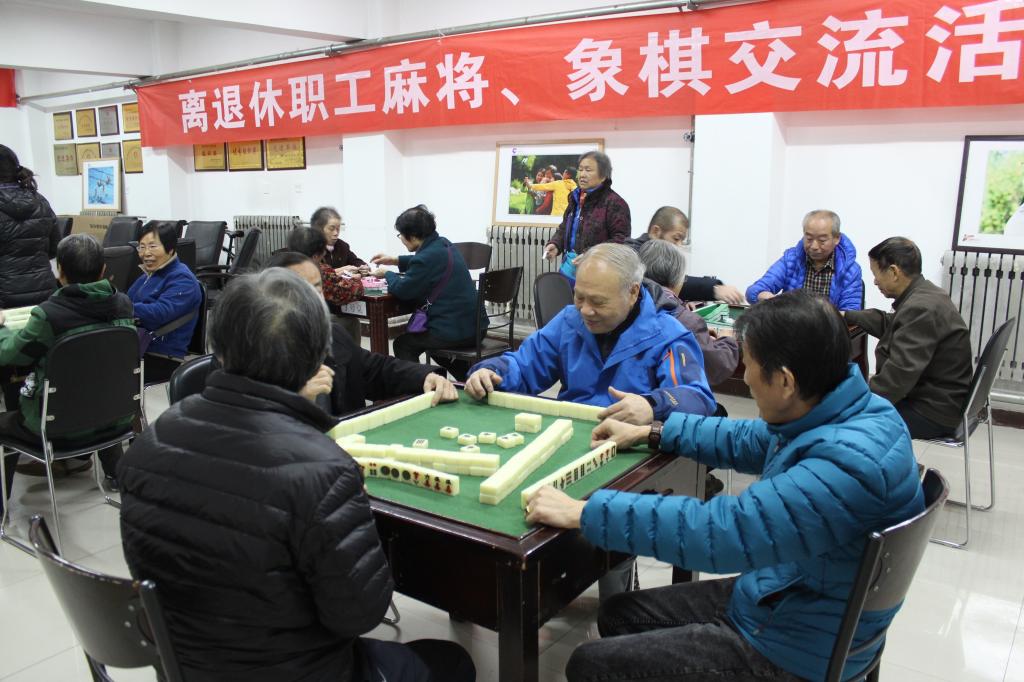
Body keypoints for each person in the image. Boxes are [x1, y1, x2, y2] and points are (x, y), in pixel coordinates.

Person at [525, 290, 924, 682]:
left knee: (588, 664)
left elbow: (721, 532)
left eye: (749, 366)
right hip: (797, 592)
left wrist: (585, 512)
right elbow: (749, 440)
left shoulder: (844, 465)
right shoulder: (852, 410)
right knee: (618, 613)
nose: (745, 379)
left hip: (796, 643)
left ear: (785, 380)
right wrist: (654, 432)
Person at [117, 269, 476, 682]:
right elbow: (361, 613)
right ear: (315, 359)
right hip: (298, 672)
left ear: (221, 349)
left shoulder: (151, 440)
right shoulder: (323, 469)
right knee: (453, 662)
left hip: (184, 668)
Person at [0, 234, 134, 510]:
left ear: (59, 271)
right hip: (114, 419)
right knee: (97, 384)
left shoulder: (49, 315)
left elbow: (9, 354)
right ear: (103, 270)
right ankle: (114, 473)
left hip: (57, 429)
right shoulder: (123, 304)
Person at [268, 251, 459, 416]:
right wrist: (297, 400)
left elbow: (374, 370)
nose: (313, 297)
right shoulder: (261, 353)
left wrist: (424, 376)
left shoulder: (332, 334)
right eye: (301, 289)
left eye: (317, 287)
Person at [845, 237, 973, 439]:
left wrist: (856, 403)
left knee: (845, 420)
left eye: (876, 274)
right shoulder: (926, 294)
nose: (875, 281)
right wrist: (847, 315)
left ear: (894, 272)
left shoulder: (920, 308)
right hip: (939, 399)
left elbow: (897, 378)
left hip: (931, 411)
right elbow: (893, 324)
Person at [370, 205, 486, 366]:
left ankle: (419, 381)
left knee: (403, 344)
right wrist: (395, 260)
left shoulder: (425, 258)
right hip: (477, 327)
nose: (401, 238)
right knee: (432, 345)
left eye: (401, 235)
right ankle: (465, 377)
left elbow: (403, 290)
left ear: (412, 236)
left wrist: (387, 274)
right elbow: (426, 261)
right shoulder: (444, 243)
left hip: (455, 332)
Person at [0, 145, 60, 409]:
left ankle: (15, 419)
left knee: (9, 362)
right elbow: (55, 247)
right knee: (41, 362)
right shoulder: (40, 201)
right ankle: (43, 416)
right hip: (43, 297)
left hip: (5, 303)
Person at [638, 239, 739, 386]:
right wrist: (727, 340)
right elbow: (718, 366)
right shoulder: (686, 321)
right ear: (678, 280)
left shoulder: (626, 305)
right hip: (669, 394)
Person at [127, 221, 203, 383]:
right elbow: (127, 300)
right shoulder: (149, 275)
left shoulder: (183, 279)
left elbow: (159, 313)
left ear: (170, 249)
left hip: (161, 355)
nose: (146, 253)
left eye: (153, 246)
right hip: (137, 347)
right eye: (142, 247)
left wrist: (124, 307)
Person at [625, 205, 745, 304]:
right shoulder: (631, 254)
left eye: (682, 240)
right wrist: (714, 289)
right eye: (676, 238)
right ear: (656, 231)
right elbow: (664, 282)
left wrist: (681, 302)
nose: (679, 245)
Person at [746, 209, 863, 309]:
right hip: (791, 324)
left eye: (822, 240)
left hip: (829, 327)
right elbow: (753, 291)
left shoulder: (850, 270)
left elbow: (850, 312)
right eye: (809, 239)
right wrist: (769, 298)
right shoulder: (791, 260)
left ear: (836, 238)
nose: (814, 246)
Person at [543, 151, 630, 282]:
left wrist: (591, 255)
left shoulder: (615, 203)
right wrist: (555, 244)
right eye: (580, 169)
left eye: (588, 170)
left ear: (603, 176)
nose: (582, 174)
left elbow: (621, 241)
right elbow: (565, 227)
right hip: (569, 269)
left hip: (598, 276)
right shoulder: (575, 197)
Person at [311, 206, 369, 274]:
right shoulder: (311, 248)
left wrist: (363, 267)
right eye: (331, 229)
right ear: (319, 229)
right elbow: (315, 273)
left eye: (338, 229)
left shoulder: (343, 246)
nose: (336, 233)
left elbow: (356, 261)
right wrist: (341, 270)